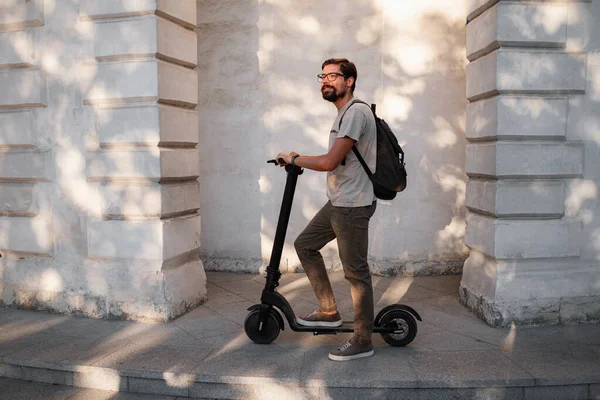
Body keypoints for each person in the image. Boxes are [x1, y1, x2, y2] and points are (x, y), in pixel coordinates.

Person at [275, 58, 377, 361]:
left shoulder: (356, 112)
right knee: (305, 245)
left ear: (350, 81)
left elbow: (329, 162)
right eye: (323, 75)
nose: (326, 80)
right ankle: (329, 310)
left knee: (356, 274)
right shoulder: (344, 113)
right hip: (339, 202)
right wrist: (296, 159)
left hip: (353, 205)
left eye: (334, 75)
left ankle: (362, 340)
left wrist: (294, 158)